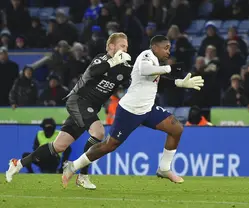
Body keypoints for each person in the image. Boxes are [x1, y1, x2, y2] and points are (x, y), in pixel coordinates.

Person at [61, 35, 204, 187]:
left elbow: (157, 79)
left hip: (148, 109)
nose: (169, 51)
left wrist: (179, 83)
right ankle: (73, 166)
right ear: (155, 48)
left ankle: (164, 168)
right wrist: (169, 68)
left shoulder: (156, 62)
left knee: (176, 129)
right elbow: (145, 70)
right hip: (130, 110)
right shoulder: (146, 56)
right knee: (109, 145)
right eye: (166, 48)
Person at [6, 32, 132, 190]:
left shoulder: (124, 67)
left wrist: (164, 71)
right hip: (78, 100)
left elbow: (140, 75)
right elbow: (94, 72)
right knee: (98, 133)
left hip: (89, 108)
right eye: (122, 46)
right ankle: (83, 176)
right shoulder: (102, 59)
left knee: (58, 146)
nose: (125, 50)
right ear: (111, 46)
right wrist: (114, 60)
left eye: (127, 47)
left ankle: (18, 163)